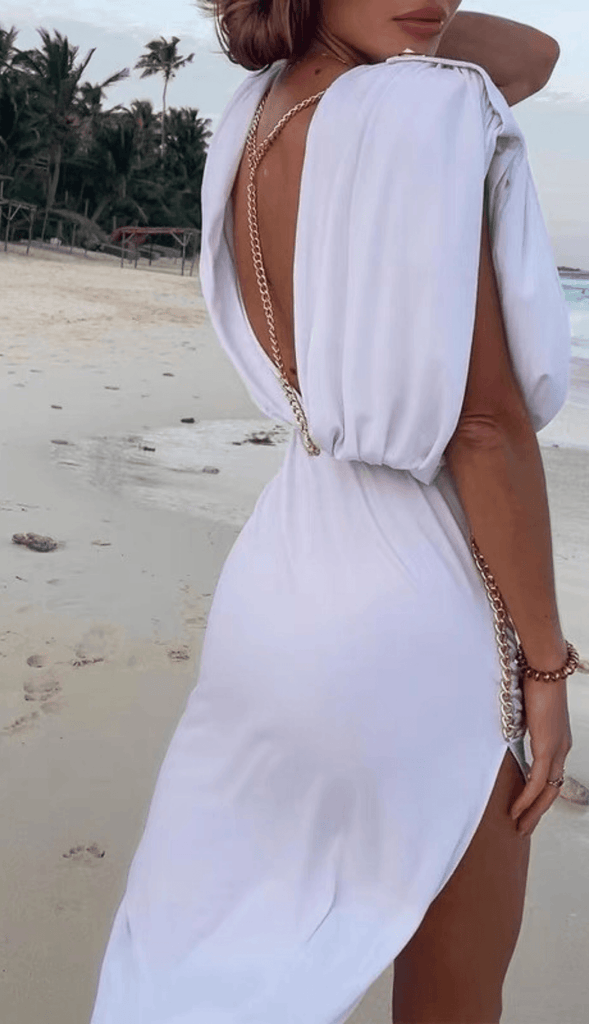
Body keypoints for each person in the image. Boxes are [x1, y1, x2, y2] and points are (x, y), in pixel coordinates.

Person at [90, 2, 579, 1022]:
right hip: (413, 615)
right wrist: (544, 668)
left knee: (210, 949)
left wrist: (342, 22)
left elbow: (533, 55)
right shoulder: (416, 115)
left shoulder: (256, 112)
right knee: (454, 997)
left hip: (282, 586)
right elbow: (481, 426)